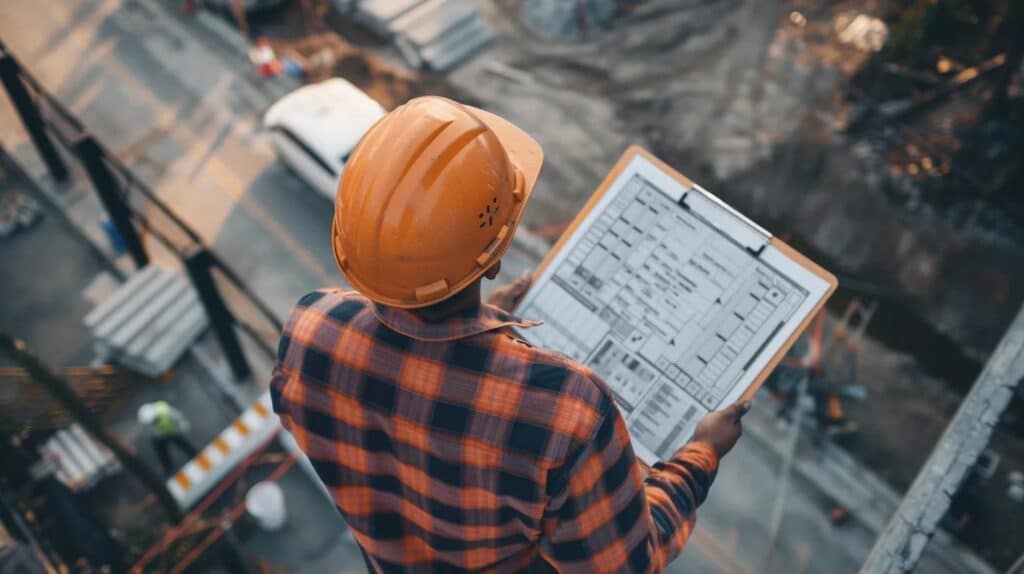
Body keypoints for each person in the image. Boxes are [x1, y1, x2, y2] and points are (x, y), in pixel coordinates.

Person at [270, 96, 748, 573]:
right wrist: (702, 453)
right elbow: (627, 563)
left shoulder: (310, 330)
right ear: (494, 260)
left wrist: (481, 322)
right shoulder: (565, 412)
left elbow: (406, 399)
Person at [137, 400, 197, 476]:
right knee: (161, 452)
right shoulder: (145, 421)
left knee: (182, 443)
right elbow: (146, 430)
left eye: (155, 420)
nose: (154, 422)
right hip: (158, 436)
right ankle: (168, 467)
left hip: (170, 430)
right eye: (152, 422)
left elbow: (177, 416)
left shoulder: (164, 411)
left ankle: (193, 454)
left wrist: (182, 423)